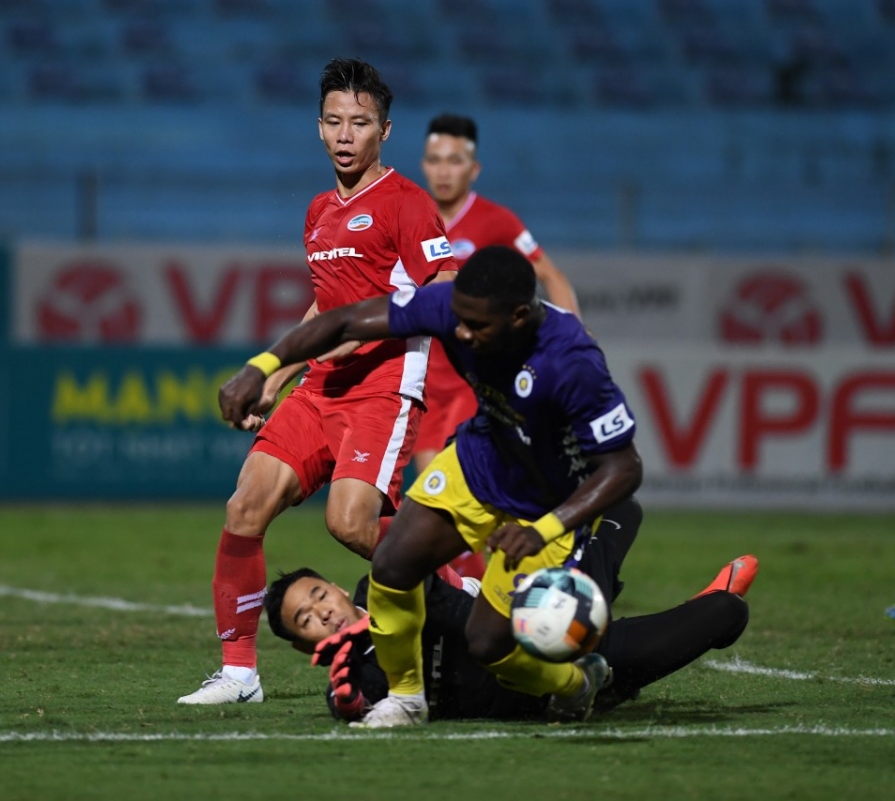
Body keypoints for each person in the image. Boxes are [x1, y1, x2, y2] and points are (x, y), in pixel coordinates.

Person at [218, 246, 641, 726]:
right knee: (393, 562)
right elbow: (346, 322)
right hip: (478, 462)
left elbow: (624, 468)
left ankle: (576, 682)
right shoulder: (454, 306)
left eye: (476, 326)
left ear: (519, 316)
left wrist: (543, 530)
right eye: (458, 318)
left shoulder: (572, 361)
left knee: (488, 643)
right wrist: (262, 367)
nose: (460, 333)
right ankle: (406, 697)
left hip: (542, 501)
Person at [178, 58, 458, 705]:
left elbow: (441, 292)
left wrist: (363, 333)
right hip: (322, 387)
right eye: (334, 121)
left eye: (359, 123)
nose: (345, 134)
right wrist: (281, 375)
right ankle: (240, 674)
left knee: (352, 524)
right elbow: (325, 309)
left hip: (385, 383)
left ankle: (464, 590)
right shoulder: (318, 212)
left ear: (384, 131)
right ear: (318, 128)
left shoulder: (408, 204)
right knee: (245, 504)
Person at [264, 497, 758, 722]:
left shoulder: (384, 586)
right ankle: (702, 603)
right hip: (562, 697)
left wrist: (531, 634)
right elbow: (357, 700)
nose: (322, 613)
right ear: (301, 645)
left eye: (317, 597)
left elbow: (461, 611)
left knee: (623, 509)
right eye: (305, 619)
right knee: (726, 614)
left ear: (333, 586)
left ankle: (590, 593)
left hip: (538, 625)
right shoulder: (352, 680)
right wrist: (347, 706)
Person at [418, 113, 580, 580]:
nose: (444, 170)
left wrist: (572, 343)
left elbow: (550, 276)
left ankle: (521, 587)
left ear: (474, 169)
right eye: (435, 160)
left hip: (478, 382)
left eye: (455, 161)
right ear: (424, 166)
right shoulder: (411, 213)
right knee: (445, 505)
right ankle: (489, 594)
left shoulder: (495, 220)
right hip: (426, 382)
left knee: (461, 492)